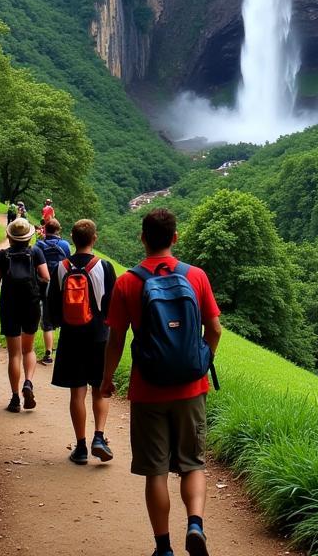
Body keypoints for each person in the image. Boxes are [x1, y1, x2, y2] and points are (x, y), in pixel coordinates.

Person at [102, 209, 222, 556]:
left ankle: (163, 547)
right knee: (193, 463)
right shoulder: (196, 276)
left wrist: (107, 380)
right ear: (175, 237)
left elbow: (115, 340)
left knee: (155, 470)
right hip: (191, 388)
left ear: (142, 237)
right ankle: (195, 525)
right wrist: (202, 361)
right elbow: (214, 329)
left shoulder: (127, 282)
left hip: (148, 388)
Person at [47, 219, 116, 463]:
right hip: (98, 335)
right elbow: (111, 306)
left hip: (71, 336)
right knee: (99, 389)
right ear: (94, 238)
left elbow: (53, 307)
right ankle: (99, 436)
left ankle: (81, 447)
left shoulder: (61, 268)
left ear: (72, 240)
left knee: (77, 393)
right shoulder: (104, 267)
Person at [0, 218, 51, 412]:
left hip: (8, 305)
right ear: (29, 236)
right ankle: (28, 383)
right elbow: (46, 277)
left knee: (14, 353)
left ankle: (15, 399)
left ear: (9, 236)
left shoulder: (2, 255)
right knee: (28, 349)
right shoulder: (36, 252)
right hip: (31, 304)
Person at [34, 221, 71, 365]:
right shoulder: (65, 245)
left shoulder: (38, 245)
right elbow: (68, 263)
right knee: (66, 317)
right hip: (62, 284)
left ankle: (48, 354)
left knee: (47, 321)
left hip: (43, 284)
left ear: (45, 229)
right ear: (58, 230)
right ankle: (66, 353)